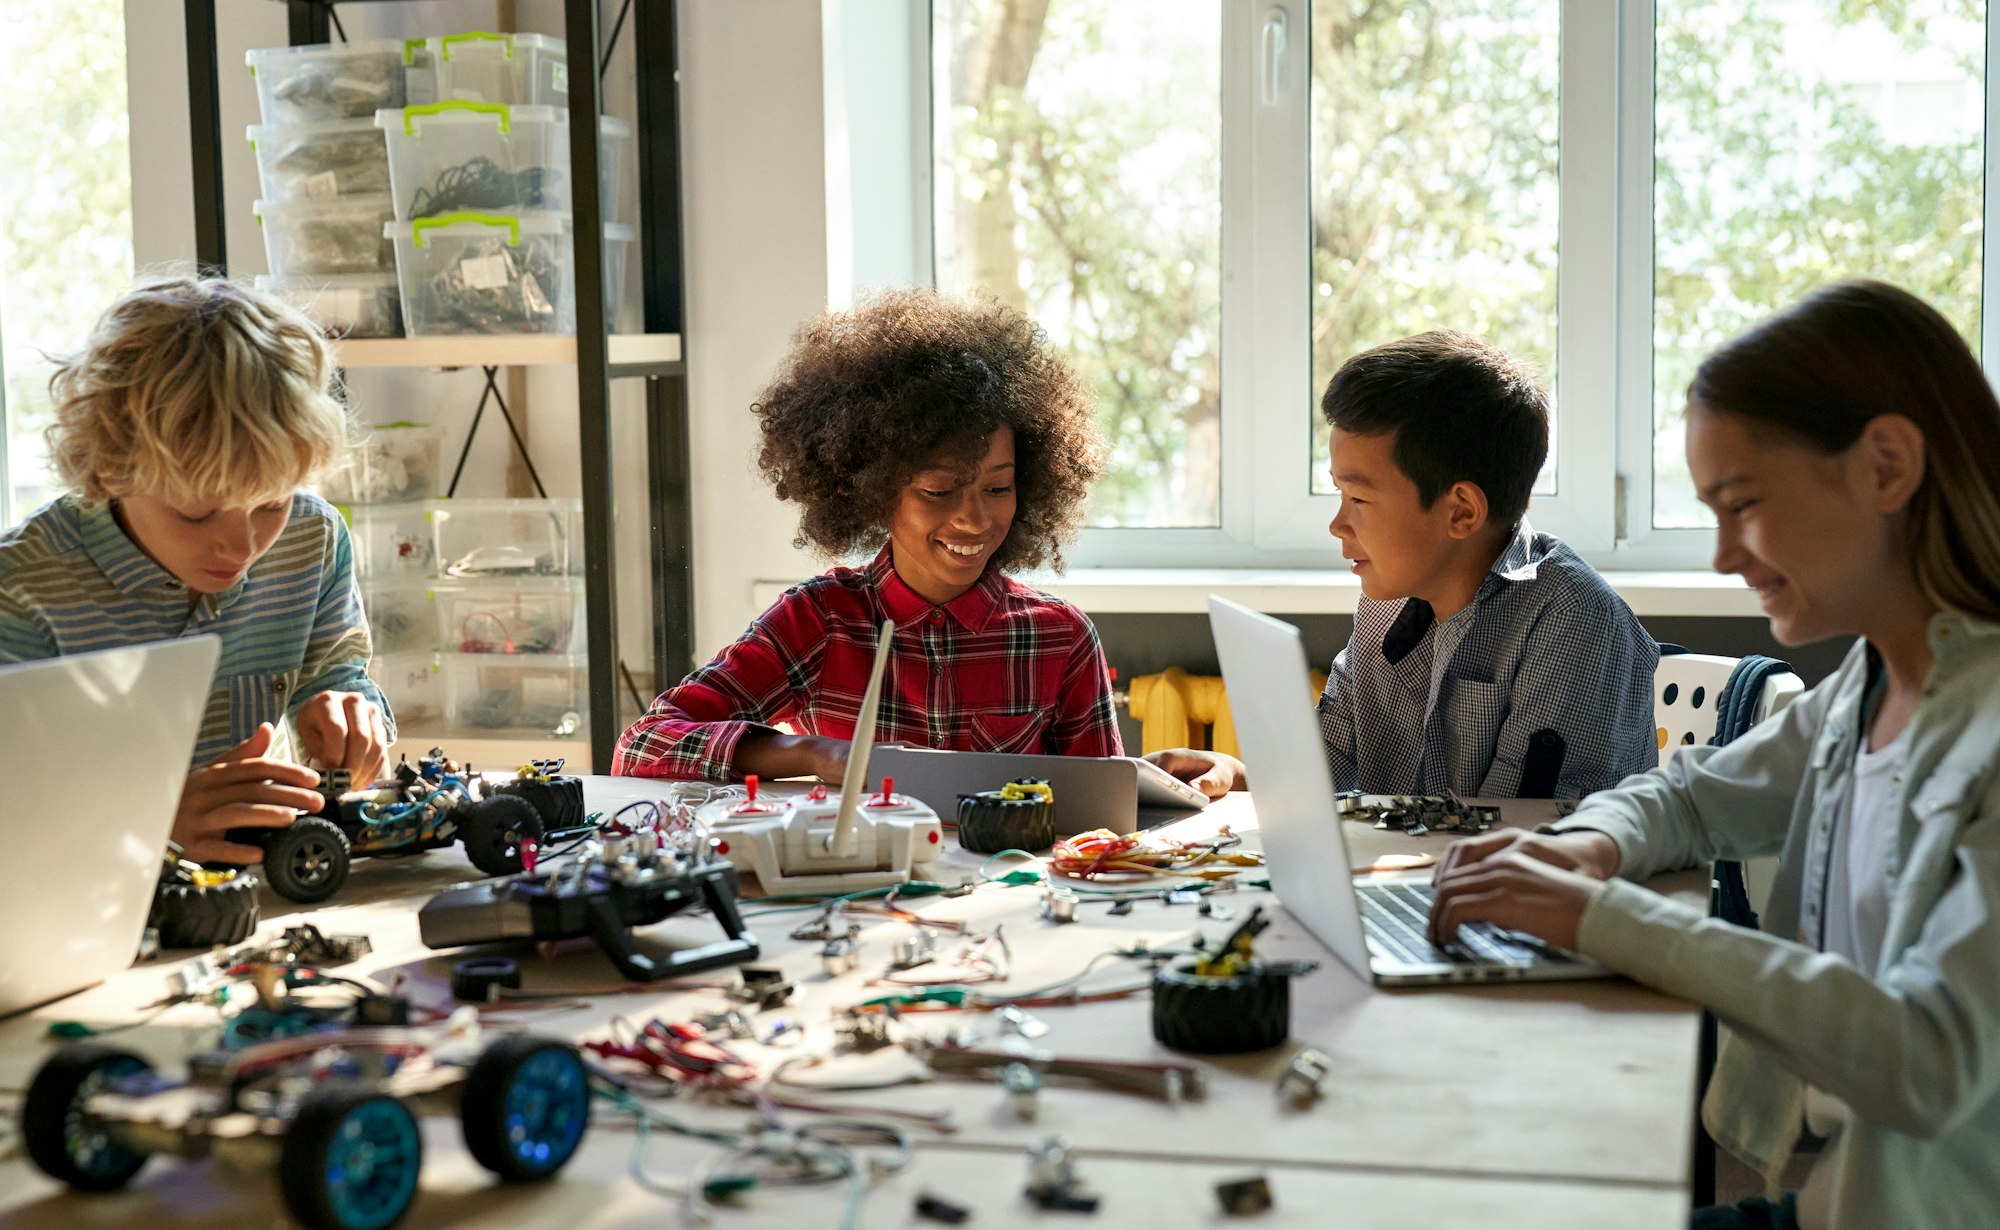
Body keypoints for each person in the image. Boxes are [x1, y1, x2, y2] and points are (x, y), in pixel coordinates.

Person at [1428, 281, 2000, 1229]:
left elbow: (1929, 1060)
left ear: (1887, 465)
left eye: (1742, 504)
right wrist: (1590, 848)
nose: (1722, 556)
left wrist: (1604, 919)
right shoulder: (1867, 687)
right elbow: (1691, 796)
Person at [613, 288, 1121, 783]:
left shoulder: (1061, 638)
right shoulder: (821, 620)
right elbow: (644, 744)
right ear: (875, 490)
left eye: (998, 487)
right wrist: (813, 752)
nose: (975, 519)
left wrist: (1155, 778)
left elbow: (1105, 815)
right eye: (939, 491)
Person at [1154, 331, 1658, 799]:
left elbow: (1521, 835)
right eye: (1338, 493)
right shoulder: (1385, 603)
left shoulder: (1575, 622)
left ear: (1461, 511)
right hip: (1418, 878)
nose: (1337, 524)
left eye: (1359, 498)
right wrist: (1237, 777)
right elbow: (1324, 770)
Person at [0, 274, 394, 865]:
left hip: (268, 893)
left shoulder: (312, 538)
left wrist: (346, 714)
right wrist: (152, 830)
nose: (240, 546)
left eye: (271, 503)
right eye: (195, 512)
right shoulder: (22, 588)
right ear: (110, 465)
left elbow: (336, 676)